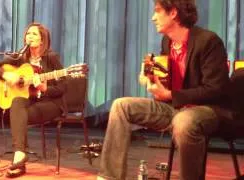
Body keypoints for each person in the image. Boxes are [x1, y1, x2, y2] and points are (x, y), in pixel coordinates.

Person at [97, 0, 231, 180]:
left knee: (184, 121)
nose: (153, 18)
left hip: (207, 111)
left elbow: (215, 89)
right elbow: (168, 81)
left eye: (157, 11)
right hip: (175, 108)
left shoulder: (208, 41)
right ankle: (109, 177)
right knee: (121, 106)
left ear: (173, 13)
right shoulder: (167, 42)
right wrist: (152, 81)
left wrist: (170, 94)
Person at [0, 22, 66, 178]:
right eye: (28, 34)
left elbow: (63, 87)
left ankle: (19, 160)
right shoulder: (20, 57)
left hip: (50, 103)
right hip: (30, 102)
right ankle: (20, 154)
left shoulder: (51, 58)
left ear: (42, 40)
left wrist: (45, 89)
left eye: (34, 34)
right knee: (17, 102)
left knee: (19, 116)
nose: (29, 37)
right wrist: (6, 75)